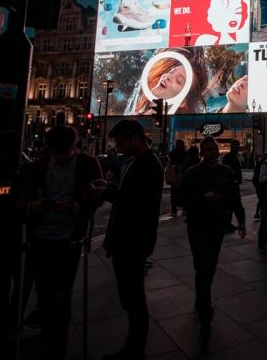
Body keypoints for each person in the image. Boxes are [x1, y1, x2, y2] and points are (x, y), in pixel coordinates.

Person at [18, 126, 103, 360]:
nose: (63, 157)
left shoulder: (88, 164)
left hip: (69, 238)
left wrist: (76, 207)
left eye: (66, 151)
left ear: (74, 146)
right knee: (44, 292)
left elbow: (98, 195)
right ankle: (47, 338)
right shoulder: (36, 167)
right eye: (58, 153)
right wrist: (35, 206)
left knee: (61, 294)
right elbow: (22, 201)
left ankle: (58, 347)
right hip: (41, 237)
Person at [91, 120, 164, 360]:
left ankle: (135, 349)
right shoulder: (136, 161)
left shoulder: (149, 164)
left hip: (134, 239)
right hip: (127, 238)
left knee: (134, 297)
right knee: (130, 295)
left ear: (135, 138)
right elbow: (130, 194)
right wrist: (110, 185)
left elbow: (138, 203)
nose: (119, 147)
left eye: (121, 143)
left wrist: (109, 193)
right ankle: (133, 344)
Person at [180, 136, 246, 342]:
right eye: (207, 150)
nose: (212, 153)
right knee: (202, 266)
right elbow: (183, 200)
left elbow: (235, 197)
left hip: (217, 226)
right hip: (198, 226)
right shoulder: (192, 174)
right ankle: (206, 316)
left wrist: (241, 220)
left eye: (214, 149)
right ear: (201, 153)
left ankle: (201, 297)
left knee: (210, 267)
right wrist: (203, 198)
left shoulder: (226, 173)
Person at [132, 47, 208, 115]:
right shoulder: (138, 113)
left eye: (179, 81)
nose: (168, 76)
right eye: (171, 72)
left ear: (181, 102)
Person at [221, 139, 243, 233]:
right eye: (236, 145)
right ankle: (226, 225)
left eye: (238, 145)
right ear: (232, 146)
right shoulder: (229, 157)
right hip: (230, 185)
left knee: (231, 206)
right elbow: (227, 170)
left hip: (234, 183)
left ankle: (228, 223)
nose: (238, 147)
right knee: (229, 206)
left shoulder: (234, 156)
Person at [167, 139, 187, 216]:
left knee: (174, 192)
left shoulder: (172, 153)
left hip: (174, 174)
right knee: (183, 192)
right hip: (182, 174)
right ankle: (184, 209)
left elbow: (169, 163)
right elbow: (186, 163)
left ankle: (174, 209)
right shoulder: (184, 153)